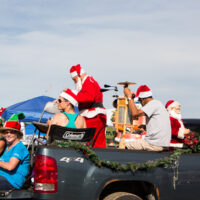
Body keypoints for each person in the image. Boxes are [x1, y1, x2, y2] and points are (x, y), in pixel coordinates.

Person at [123, 85, 171, 151]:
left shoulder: (153, 104)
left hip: (153, 144)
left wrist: (129, 97)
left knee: (123, 145)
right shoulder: (158, 104)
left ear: (142, 99)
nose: (141, 104)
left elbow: (135, 114)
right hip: (161, 143)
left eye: (140, 101)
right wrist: (146, 127)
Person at [69, 64, 107, 148]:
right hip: (98, 116)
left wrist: (71, 93)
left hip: (92, 116)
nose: (74, 82)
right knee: (98, 145)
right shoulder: (91, 81)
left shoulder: (87, 81)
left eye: (74, 80)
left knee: (85, 144)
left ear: (78, 76)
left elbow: (88, 98)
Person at [0, 115, 30, 190]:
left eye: (12, 132)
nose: (8, 134)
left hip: (12, 181)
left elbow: (10, 167)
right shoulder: (8, 146)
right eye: (6, 132)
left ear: (17, 134)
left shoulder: (19, 147)